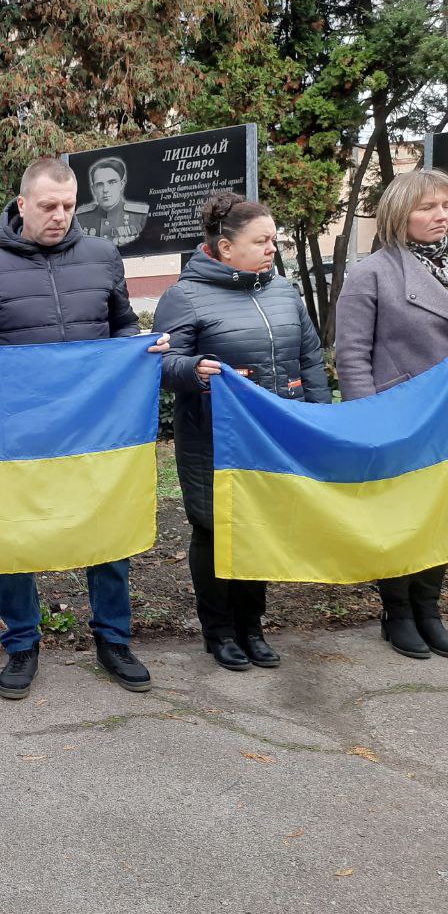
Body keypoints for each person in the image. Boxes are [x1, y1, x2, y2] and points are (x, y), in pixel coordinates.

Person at [0, 157, 168, 698]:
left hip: (93, 430)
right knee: (12, 537)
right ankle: (22, 644)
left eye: (69, 206)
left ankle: (113, 640)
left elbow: (121, 327)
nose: (61, 216)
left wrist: (140, 349)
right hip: (14, 434)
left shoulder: (102, 256)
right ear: (22, 204)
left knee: (105, 531)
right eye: (49, 206)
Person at [154, 192, 329, 671]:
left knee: (259, 526)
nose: (272, 248)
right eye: (261, 241)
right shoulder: (184, 296)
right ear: (226, 247)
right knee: (213, 528)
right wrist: (193, 370)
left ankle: (252, 627)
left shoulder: (284, 292)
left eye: (273, 239)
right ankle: (219, 632)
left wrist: (319, 418)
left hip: (274, 433)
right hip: (213, 438)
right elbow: (162, 364)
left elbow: (310, 360)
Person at [336, 168, 448, 660]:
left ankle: (429, 611)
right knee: (401, 516)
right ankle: (397, 613)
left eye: (445, 205)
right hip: (399, 417)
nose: (441, 215)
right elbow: (351, 355)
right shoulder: (372, 272)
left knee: (440, 516)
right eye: (428, 207)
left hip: (444, 420)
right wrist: (369, 421)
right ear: (400, 215)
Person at [76, 156, 148, 246]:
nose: (105, 190)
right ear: (93, 189)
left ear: (121, 184)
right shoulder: (80, 218)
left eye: (112, 182)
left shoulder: (140, 216)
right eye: (99, 185)